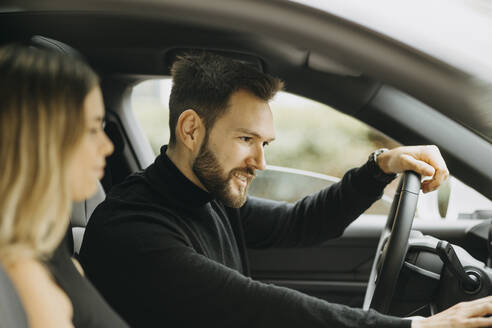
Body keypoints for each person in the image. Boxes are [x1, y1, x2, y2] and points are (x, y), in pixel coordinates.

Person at [79, 53, 492, 328]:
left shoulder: (206, 194)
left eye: (265, 144)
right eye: (246, 139)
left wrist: (381, 165)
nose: (260, 162)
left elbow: (301, 223)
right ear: (191, 129)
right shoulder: (133, 231)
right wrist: (416, 326)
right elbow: (259, 307)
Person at [0, 44, 129, 328]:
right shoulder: (22, 276)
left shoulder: (50, 250)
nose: (108, 146)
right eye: (93, 129)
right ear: (41, 141)